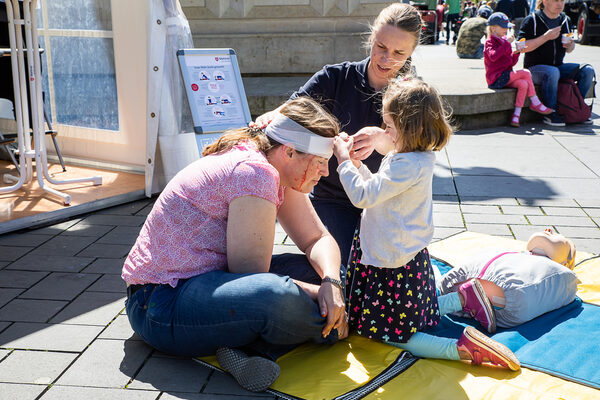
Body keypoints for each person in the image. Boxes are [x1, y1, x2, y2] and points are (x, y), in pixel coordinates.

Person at [122, 97, 349, 392]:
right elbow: (252, 276)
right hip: (159, 303)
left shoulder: (274, 163)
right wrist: (323, 295)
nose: (326, 172)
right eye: (320, 162)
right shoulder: (255, 172)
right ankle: (319, 328)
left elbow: (316, 239)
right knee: (276, 295)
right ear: (289, 152)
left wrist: (331, 282)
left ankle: (246, 349)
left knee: (333, 273)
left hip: (201, 284)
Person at [334, 78, 520, 371]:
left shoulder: (404, 164)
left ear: (413, 129)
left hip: (390, 262)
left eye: (389, 127)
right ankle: (463, 298)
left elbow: (363, 197)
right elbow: (380, 196)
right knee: (417, 310)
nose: (385, 133)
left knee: (392, 332)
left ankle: (460, 349)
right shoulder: (413, 158)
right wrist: (359, 166)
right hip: (400, 254)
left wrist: (344, 162)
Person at [253, 3, 423, 267]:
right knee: (343, 268)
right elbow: (293, 108)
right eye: (380, 47)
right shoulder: (335, 77)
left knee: (390, 272)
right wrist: (270, 117)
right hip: (334, 198)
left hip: (386, 201)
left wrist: (385, 140)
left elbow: (421, 153)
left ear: (413, 51)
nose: (386, 59)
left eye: (398, 52)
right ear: (371, 38)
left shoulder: (413, 96)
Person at [438, 229, 578, 328]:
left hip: (503, 297)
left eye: (557, 234)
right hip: (461, 283)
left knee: (508, 292)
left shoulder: (558, 272)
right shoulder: (517, 255)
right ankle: (470, 300)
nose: (548, 229)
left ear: (565, 262)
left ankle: (467, 298)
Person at [517, 0, 596, 126]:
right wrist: (545, 37)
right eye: (556, 0)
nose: (560, 4)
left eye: (562, 1)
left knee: (587, 70)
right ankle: (551, 113)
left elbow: (569, 50)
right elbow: (521, 47)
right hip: (534, 69)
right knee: (552, 72)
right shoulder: (532, 19)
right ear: (545, 1)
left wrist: (570, 45)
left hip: (558, 66)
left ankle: (576, 108)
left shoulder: (565, 20)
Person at [484, 12, 553, 127]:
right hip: (496, 78)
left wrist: (516, 53)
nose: (506, 29)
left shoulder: (503, 41)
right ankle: (535, 102)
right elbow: (493, 56)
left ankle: (516, 116)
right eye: (503, 27)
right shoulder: (490, 42)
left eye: (507, 27)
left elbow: (511, 63)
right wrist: (506, 44)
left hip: (505, 76)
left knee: (523, 84)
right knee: (526, 72)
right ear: (493, 28)